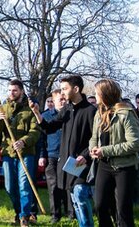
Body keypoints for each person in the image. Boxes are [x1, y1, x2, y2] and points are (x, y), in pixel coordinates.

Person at [33, 74, 97, 227]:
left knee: (80, 193)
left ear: (76, 89)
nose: (62, 93)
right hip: (68, 163)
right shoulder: (67, 109)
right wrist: (36, 113)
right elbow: (49, 127)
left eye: (64, 89)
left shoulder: (90, 111)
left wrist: (85, 156)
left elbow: (96, 138)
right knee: (75, 197)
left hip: (83, 162)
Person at [88, 80, 139, 227]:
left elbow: (135, 144)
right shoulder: (99, 113)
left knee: (123, 209)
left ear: (105, 94)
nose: (95, 95)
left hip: (124, 167)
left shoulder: (126, 113)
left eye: (97, 92)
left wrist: (105, 150)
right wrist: (93, 149)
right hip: (103, 166)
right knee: (100, 205)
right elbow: (94, 137)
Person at [0, 79, 41, 227]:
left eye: (14, 90)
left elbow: (35, 131)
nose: (11, 93)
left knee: (24, 185)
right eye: (9, 90)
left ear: (21, 91)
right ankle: (18, 211)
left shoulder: (30, 108)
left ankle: (24, 216)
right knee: (9, 186)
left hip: (26, 153)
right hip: (8, 152)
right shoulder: (2, 108)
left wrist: (23, 141)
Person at [43, 89, 69, 223]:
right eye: (60, 99)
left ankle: (71, 213)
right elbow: (41, 138)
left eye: (65, 99)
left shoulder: (71, 114)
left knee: (68, 186)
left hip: (68, 155)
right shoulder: (46, 116)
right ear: (53, 101)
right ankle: (55, 215)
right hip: (51, 154)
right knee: (53, 186)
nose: (63, 102)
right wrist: (42, 155)